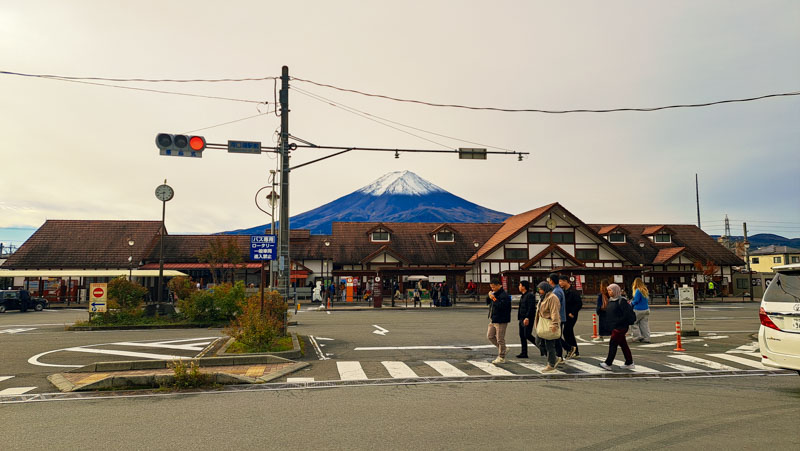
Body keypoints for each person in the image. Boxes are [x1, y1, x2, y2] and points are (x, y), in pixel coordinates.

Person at [600, 283, 635, 370]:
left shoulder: (622, 301)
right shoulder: (611, 300)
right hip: (615, 326)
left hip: (620, 327)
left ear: (615, 291)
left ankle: (608, 363)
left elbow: (626, 315)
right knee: (623, 344)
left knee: (613, 343)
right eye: (608, 290)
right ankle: (629, 362)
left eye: (610, 290)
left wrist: (617, 322)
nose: (609, 292)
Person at [534, 281, 562, 372]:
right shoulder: (542, 297)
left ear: (546, 289)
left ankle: (551, 364)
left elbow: (555, 311)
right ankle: (554, 358)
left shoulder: (552, 297)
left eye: (541, 289)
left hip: (549, 322)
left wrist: (555, 324)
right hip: (542, 322)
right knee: (538, 342)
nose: (539, 291)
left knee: (549, 344)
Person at [486, 278, 512, 364]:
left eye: (493, 287)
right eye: (491, 287)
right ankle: (504, 349)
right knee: (490, 336)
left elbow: (502, 306)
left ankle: (501, 357)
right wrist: (489, 296)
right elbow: (488, 302)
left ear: (498, 285)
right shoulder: (495, 293)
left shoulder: (504, 295)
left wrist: (493, 298)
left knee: (500, 339)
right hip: (493, 318)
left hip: (501, 319)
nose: (492, 289)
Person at [559, 275, 582, 359]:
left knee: (567, 331)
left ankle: (572, 350)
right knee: (568, 332)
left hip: (571, 315)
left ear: (566, 281)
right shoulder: (563, 291)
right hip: (565, 314)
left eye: (561, 281)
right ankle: (574, 350)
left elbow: (579, 303)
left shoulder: (573, 291)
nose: (560, 283)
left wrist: (573, 312)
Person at [548, 273, 566, 363]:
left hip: (558, 317)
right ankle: (561, 354)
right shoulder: (557, 289)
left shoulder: (556, 291)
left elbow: (555, 307)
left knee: (556, 337)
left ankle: (560, 355)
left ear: (551, 281)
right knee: (556, 337)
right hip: (560, 317)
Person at [516, 280, 537, 358]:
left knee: (527, 335)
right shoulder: (523, 295)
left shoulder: (530, 295)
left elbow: (531, 308)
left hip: (527, 319)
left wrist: (527, 317)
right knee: (522, 335)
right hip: (521, 318)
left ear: (524, 287)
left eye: (520, 285)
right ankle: (524, 352)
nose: (519, 287)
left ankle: (543, 348)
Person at [630, 277, 651, 343]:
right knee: (644, 325)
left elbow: (636, 300)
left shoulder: (638, 290)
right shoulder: (645, 289)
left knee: (633, 322)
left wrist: (630, 303)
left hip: (638, 309)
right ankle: (646, 338)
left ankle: (637, 336)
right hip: (646, 309)